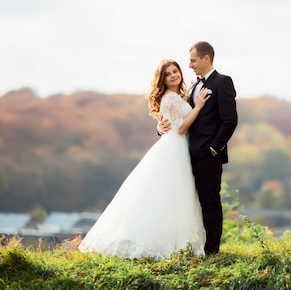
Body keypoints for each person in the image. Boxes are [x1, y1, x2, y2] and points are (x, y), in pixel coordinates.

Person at [78, 59, 212, 259]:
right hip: (174, 149)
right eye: (168, 74)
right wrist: (199, 107)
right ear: (162, 80)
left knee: (176, 195)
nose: (174, 75)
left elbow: (172, 122)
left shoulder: (179, 95)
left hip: (179, 147)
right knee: (168, 194)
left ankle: (179, 244)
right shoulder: (169, 98)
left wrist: (163, 126)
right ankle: (162, 244)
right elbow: (182, 127)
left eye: (176, 71)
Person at [158, 41, 238, 255]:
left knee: (210, 201)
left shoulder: (223, 82)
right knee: (190, 201)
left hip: (208, 155)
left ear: (206, 58)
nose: (190, 65)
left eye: (193, 60)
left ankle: (212, 251)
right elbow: (179, 118)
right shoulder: (193, 86)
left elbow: (229, 120)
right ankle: (194, 246)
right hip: (186, 154)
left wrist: (214, 148)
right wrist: (160, 128)